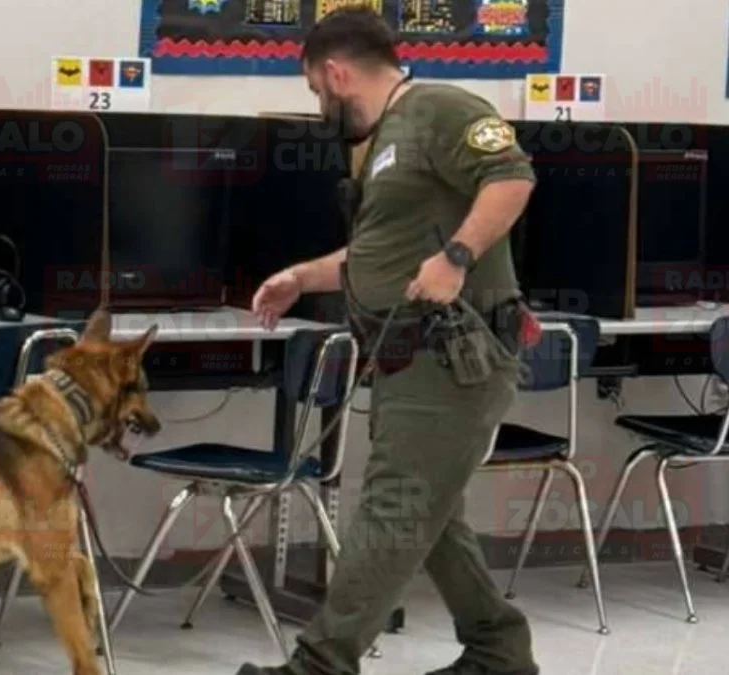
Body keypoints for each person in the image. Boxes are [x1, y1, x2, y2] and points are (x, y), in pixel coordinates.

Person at [240, 7, 539, 675]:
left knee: (393, 505)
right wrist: (299, 276)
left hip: (452, 355)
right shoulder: (382, 143)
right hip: (411, 360)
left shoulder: (442, 110)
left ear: (337, 72)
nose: (320, 106)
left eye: (317, 90)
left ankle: (320, 663)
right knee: (431, 516)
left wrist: (458, 257)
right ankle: (500, 650)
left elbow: (513, 177)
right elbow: (375, 254)